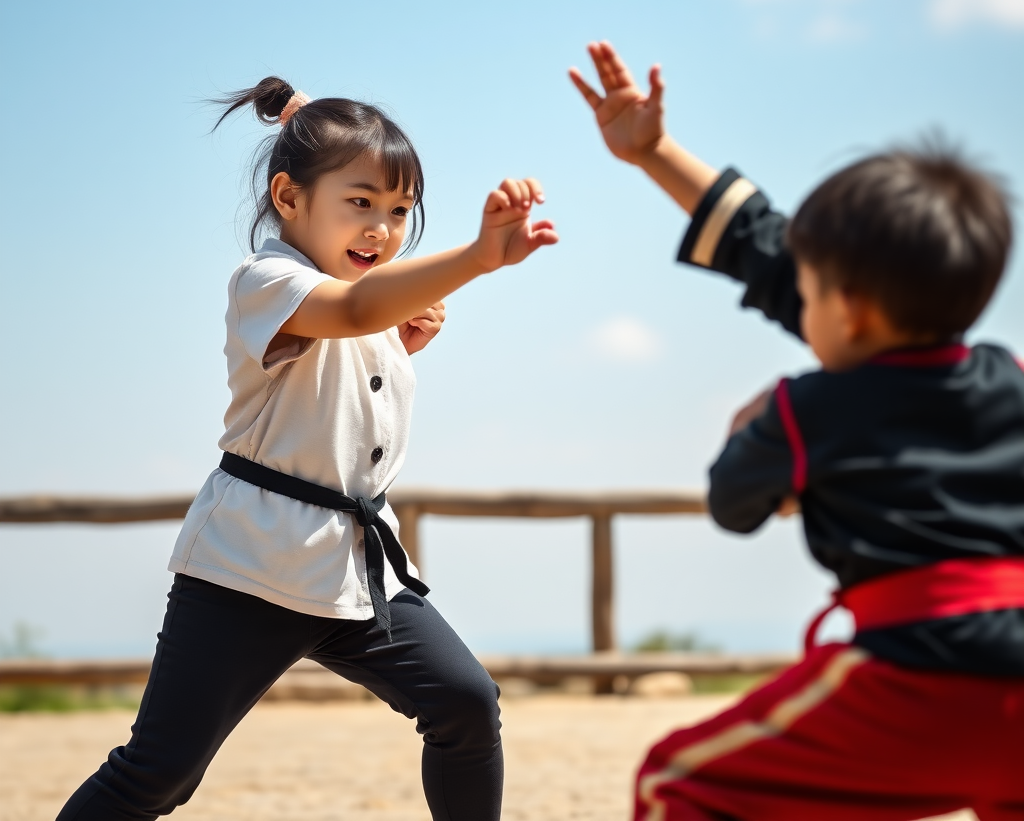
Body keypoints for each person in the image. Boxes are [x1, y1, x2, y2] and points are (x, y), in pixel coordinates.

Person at [58, 77, 558, 821]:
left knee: (464, 702)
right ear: (289, 199)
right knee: (158, 775)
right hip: (249, 571)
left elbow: (349, 370)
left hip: (355, 568)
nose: (382, 230)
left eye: (398, 211)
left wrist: (403, 342)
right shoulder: (265, 280)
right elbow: (351, 311)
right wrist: (480, 256)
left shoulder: (364, 297)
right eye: (360, 203)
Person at [570, 42, 1024, 821]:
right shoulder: (1011, 374)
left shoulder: (806, 406)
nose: (795, 303)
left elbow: (735, 504)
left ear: (845, 308)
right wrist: (655, 154)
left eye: (808, 294)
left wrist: (761, 437)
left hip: (920, 674)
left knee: (674, 782)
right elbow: (777, 251)